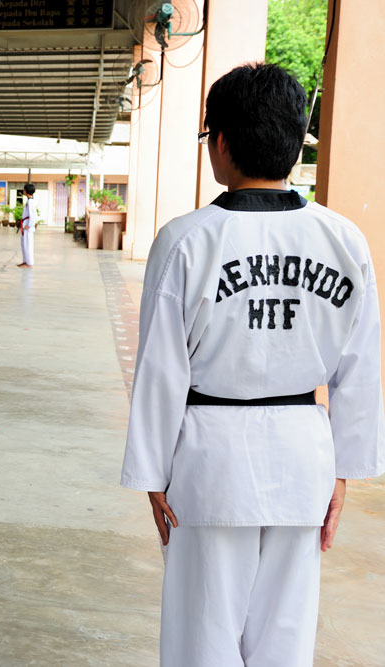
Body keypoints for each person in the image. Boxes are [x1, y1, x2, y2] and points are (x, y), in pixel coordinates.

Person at [120, 63, 385, 667]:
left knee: (202, 634)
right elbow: (359, 368)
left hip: (210, 459)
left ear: (219, 142)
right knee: (285, 635)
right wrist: (342, 469)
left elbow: (161, 369)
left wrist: (153, 473)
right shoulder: (343, 240)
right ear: (295, 141)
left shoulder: (186, 239)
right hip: (303, 454)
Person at [17, 183, 36, 268]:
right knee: (24, 244)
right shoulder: (29, 201)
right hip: (25, 225)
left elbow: (33, 215)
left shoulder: (31, 202)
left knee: (28, 245)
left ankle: (30, 263)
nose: (23, 191)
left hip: (28, 227)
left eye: (24, 189)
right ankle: (25, 261)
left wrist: (29, 225)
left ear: (27, 191)